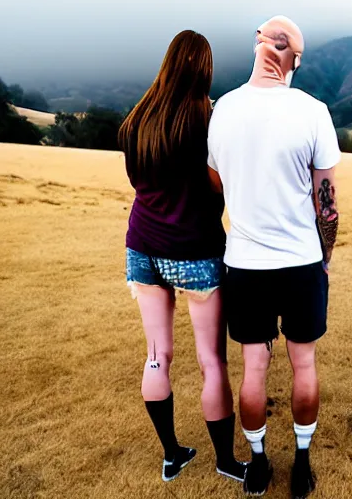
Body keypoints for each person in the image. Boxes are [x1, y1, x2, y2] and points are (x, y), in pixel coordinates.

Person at [207, 16, 340, 498]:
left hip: (244, 265)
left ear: (258, 47)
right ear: (294, 60)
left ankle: (259, 463)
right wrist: (324, 258)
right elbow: (327, 201)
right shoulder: (313, 111)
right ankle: (301, 463)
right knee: (304, 365)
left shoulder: (222, 111)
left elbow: (217, 183)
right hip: (302, 262)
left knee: (253, 369)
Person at [118, 30, 246, 484]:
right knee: (212, 362)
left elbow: (137, 182)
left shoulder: (137, 119)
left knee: (157, 356)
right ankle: (227, 461)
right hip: (194, 250)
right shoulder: (208, 120)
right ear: (203, 69)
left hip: (142, 248)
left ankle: (172, 454)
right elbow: (223, 182)